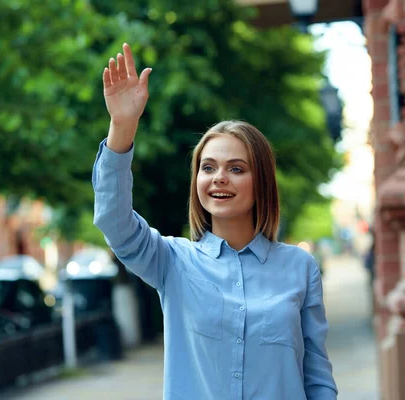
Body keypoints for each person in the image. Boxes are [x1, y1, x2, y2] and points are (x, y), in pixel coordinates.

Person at [93, 43, 337, 400]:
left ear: (262, 182)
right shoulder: (172, 262)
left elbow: (316, 377)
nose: (219, 178)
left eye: (236, 168)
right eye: (208, 168)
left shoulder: (299, 268)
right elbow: (114, 221)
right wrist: (122, 126)